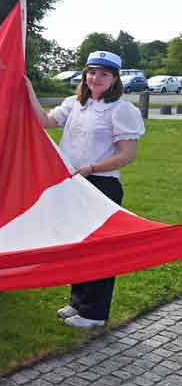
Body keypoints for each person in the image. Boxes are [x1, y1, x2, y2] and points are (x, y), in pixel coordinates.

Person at [26, 50, 145, 329]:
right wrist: (28, 88)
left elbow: (127, 155)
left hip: (102, 184)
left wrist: (92, 168)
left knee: (99, 249)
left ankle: (94, 312)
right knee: (78, 246)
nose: (96, 78)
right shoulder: (75, 103)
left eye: (103, 74)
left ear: (115, 78)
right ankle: (77, 302)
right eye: (92, 72)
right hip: (75, 185)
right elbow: (45, 121)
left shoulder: (121, 110)